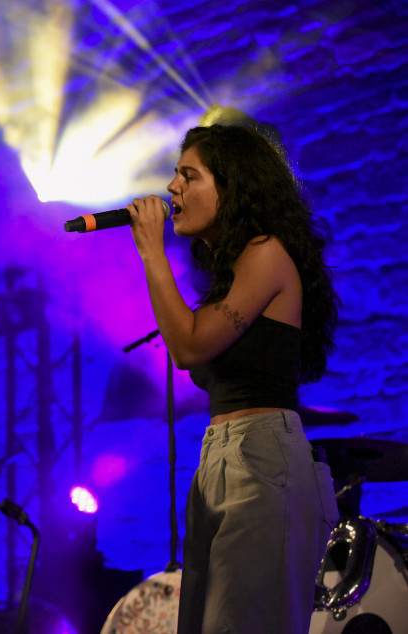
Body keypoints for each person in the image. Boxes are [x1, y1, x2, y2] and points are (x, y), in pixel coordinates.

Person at [126, 124, 340, 633]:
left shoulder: (266, 252)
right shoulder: (234, 273)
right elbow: (199, 352)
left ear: (233, 185)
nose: (172, 188)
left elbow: (190, 347)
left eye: (188, 175)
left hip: (263, 459)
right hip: (220, 457)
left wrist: (152, 254)